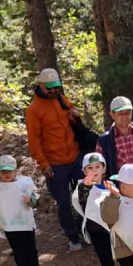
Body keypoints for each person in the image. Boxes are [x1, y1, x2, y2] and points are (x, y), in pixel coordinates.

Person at [24, 68, 85, 251]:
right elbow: (34, 141)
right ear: (40, 85)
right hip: (54, 163)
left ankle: (84, 229)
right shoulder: (33, 110)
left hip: (75, 156)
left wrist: (76, 118)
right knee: (64, 201)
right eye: (49, 88)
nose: (53, 91)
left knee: (83, 195)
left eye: (55, 87)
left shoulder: (62, 100)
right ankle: (72, 236)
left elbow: (73, 125)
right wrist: (43, 164)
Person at [71, 152, 131, 266]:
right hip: (96, 229)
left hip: (111, 229)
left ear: (104, 169)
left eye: (97, 166)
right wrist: (85, 184)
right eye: (89, 168)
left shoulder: (110, 186)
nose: (94, 170)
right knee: (107, 259)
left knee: (111, 258)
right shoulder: (83, 187)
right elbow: (81, 198)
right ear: (84, 171)